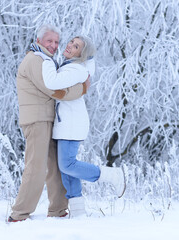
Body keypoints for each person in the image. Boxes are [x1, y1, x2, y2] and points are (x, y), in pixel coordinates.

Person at [35, 36, 126, 218]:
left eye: (76, 46)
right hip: (66, 123)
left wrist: (45, 59)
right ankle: (78, 211)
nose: (69, 46)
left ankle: (111, 175)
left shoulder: (76, 69)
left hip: (72, 123)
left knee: (68, 165)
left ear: (81, 54)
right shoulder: (71, 67)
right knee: (66, 169)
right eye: (71, 42)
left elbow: (51, 83)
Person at [8, 25, 90, 222]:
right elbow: (51, 89)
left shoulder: (45, 59)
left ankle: (58, 209)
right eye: (49, 41)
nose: (54, 45)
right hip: (37, 120)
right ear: (39, 41)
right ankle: (19, 213)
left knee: (55, 166)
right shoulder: (36, 59)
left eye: (56, 42)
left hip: (46, 119)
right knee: (36, 167)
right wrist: (82, 89)